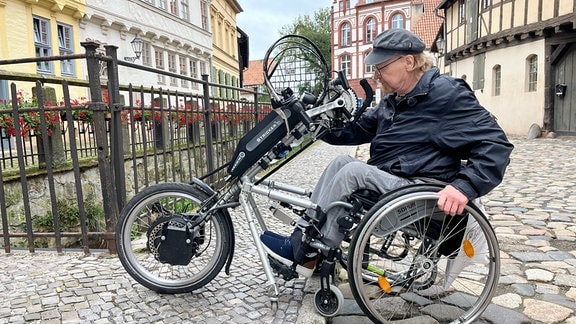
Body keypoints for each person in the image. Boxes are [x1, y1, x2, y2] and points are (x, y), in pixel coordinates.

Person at [260, 28, 514, 278]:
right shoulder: (394, 101)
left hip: (422, 187)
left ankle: (308, 252)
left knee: (353, 172)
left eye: (381, 67)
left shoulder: (446, 93)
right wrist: (316, 121)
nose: (375, 76)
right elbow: (355, 130)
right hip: (397, 180)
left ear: (409, 62)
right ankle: (303, 241)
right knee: (341, 163)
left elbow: (495, 143)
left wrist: (464, 186)